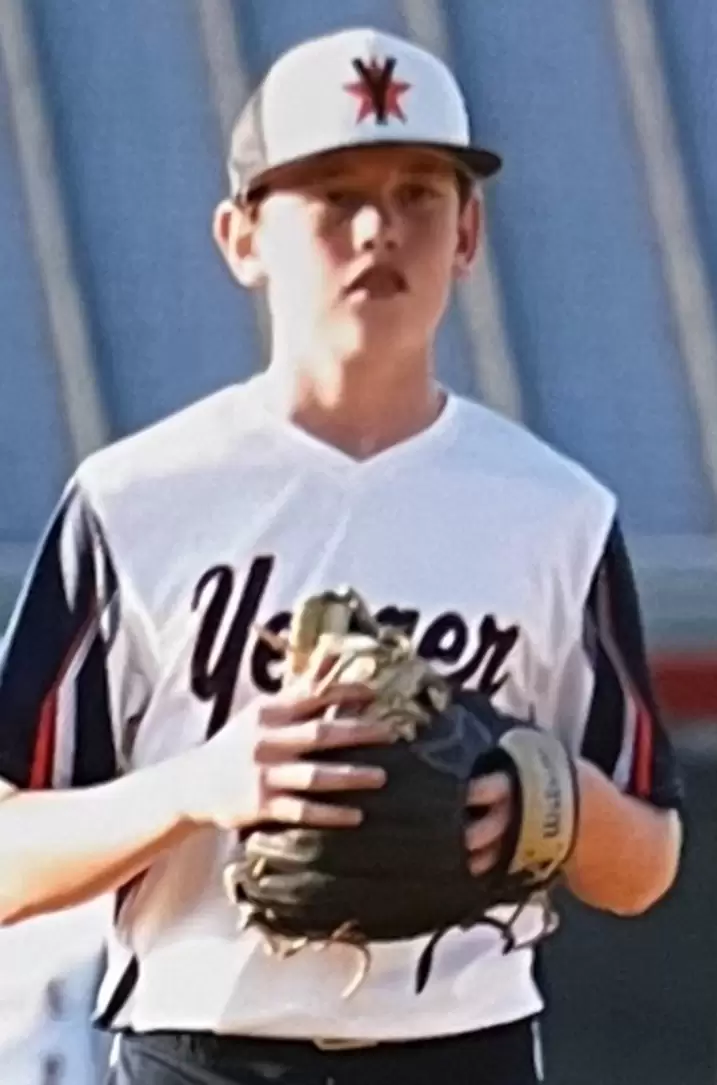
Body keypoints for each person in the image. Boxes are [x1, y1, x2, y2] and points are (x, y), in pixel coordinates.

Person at [0, 26, 683, 1085]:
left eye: (419, 193)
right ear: (241, 237)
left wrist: (550, 804)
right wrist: (193, 786)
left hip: (464, 1045)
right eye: (332, 195)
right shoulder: (136, 498)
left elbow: (647, 862)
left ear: (468, 232)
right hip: (203, 1047)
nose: (379, 228)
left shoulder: (557, 513)